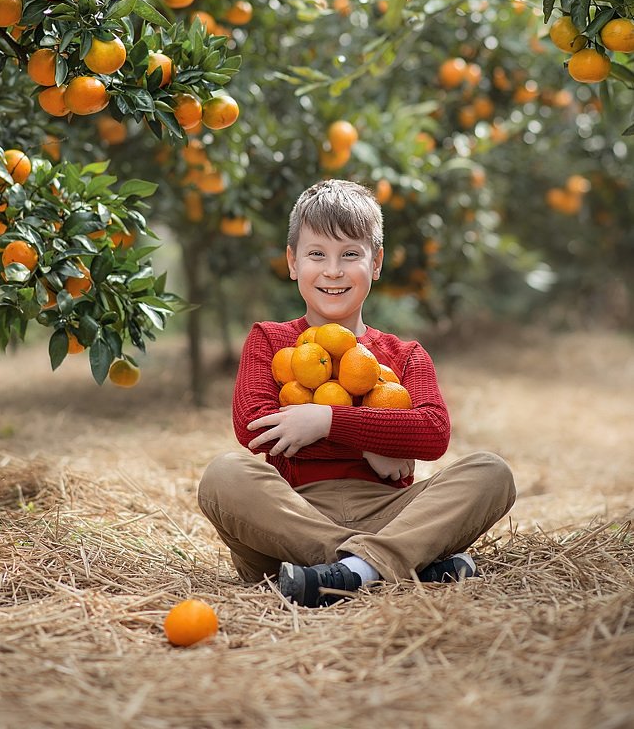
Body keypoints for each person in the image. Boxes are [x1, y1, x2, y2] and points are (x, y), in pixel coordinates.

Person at [198, 179, 516, 607]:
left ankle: (353, 572)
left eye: (350, 254)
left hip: (394, 514)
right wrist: (379, 440)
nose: (333, 270)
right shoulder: (270, 340)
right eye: (317, 255)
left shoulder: (405, 355)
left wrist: (326, 422)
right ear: (292, 262)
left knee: (491, 472)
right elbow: (256, 427)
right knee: (223, 475)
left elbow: (433, 433)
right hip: (291, 519)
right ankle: (400, 564)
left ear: (377, 262)